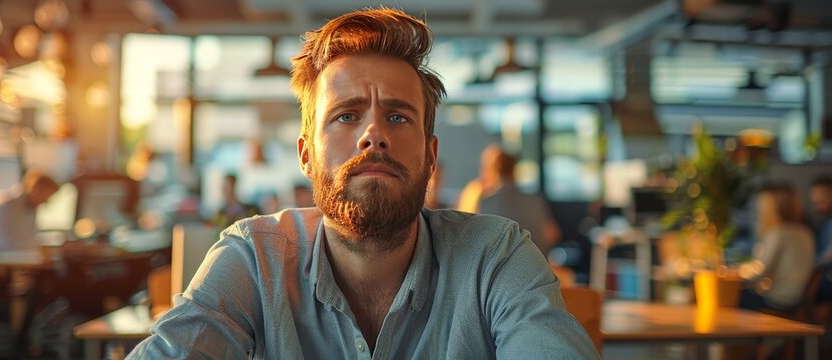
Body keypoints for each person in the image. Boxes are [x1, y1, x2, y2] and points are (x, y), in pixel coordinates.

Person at [129, 8, 597, 359]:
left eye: (398, 116)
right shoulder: (254, 258)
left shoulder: (495, 256)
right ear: (306, 155)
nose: (373, 134)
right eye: (346, 115)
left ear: (431, 156)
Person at [737, 184, 815, 311]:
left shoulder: (779, 232)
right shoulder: (806, 232)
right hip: (797, 301)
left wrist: (737, 272)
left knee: (731, 299)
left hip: (778, 301)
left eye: (763, 206)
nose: (759, 211)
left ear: (773, 208)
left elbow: (760, 272)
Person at [476, 144, 561, 256]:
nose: (481, 174)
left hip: (504, 272)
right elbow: (552, 235)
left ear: (494, 171)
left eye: (485, 169)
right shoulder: (534, 200)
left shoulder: (487, 203)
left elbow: (479, 246)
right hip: (539, 267)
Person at [0, 170, 60, 252]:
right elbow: (4, 245)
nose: (45, 202)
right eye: (45, 197)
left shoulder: (31, 207)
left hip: (22, 259)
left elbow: (29, 238)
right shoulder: (4, 205)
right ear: (36, 190)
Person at [811, 176, 832, 264]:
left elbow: (828, 257)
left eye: (822, 202)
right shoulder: (824, 223)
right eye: (815, 203)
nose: (817, 208)